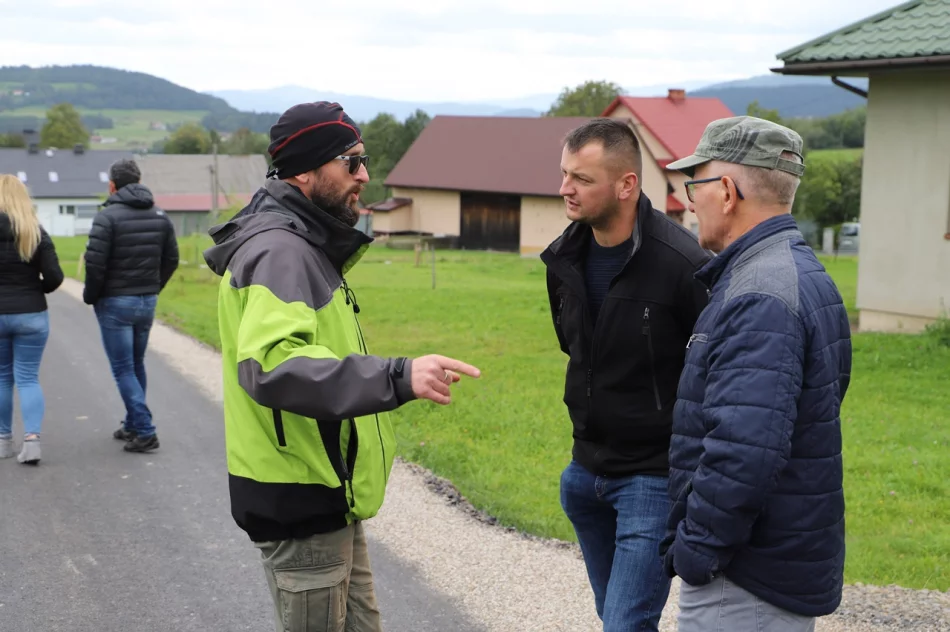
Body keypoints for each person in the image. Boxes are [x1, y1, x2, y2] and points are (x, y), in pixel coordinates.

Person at [203, 101, 481, 632]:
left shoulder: (303, 243)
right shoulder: (282, 250)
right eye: (351, 162)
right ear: (305, 171)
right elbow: (274, 366)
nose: (365, 175)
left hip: (328, 494)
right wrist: (397, 377)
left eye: (364, 159)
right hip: (304, 498)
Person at [660, 116, 852, 632]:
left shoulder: (759, 293)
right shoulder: (797, 272)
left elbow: (743, 452)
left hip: (742, 579)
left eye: (693, 184)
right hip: (769, 567)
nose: (686, 201)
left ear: (725, 191)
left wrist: (696, 554)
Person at [539, 118, 711, 631]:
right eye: (565, 174)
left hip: (652, 480)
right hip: (584, 475)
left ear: (627, 185)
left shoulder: (683, 264)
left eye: (582, 179)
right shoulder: (562, 257)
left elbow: (712, 372)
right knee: (615, 617)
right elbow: (575, 349)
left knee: (624, 625)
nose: (565, 189)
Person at [82, 159, 179, 453]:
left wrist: (92, 296)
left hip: (115, 302)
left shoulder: (107, 217)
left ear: (112, 185)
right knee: (136, 364)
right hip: (146, 301)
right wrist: (153, 287)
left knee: (123, 368)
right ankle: (132, 424)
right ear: (139, 181)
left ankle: (146, 430)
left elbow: (95, 264)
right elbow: (171, 259)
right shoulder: (160, 216)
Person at [0, 174, 63, 465]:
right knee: (27, 378)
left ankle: (3, 442)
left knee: (2, 378)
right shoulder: (34, 232)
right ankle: (32, 443)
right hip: (31, 314)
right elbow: (55, 277)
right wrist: (36, 290)